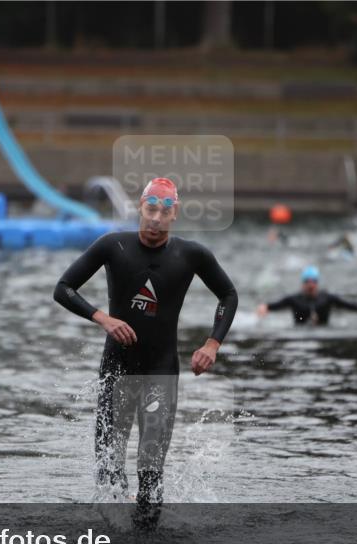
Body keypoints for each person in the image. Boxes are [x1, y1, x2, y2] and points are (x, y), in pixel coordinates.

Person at [53, 177, 238, 524]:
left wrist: (212, 344)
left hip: (161, 371)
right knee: (109, 467)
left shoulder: (191, 254)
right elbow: (63, 288)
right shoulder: (112, 246)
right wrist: (103, 319)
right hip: (117, 369)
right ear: (140, 208)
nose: (155, 219)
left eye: (163, 212)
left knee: (151, 469)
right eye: (149, 209)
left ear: (174, 214)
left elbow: (229, 294)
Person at [256, 266, 357, 327]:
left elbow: (349, 305)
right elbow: (272, 306)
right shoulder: (294, 300)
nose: (310, 285)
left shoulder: (326, 298)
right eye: (307, 282)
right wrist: (264, 308)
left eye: (313, 281)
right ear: (303, 283)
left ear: (317, 283)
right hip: (299, 332)